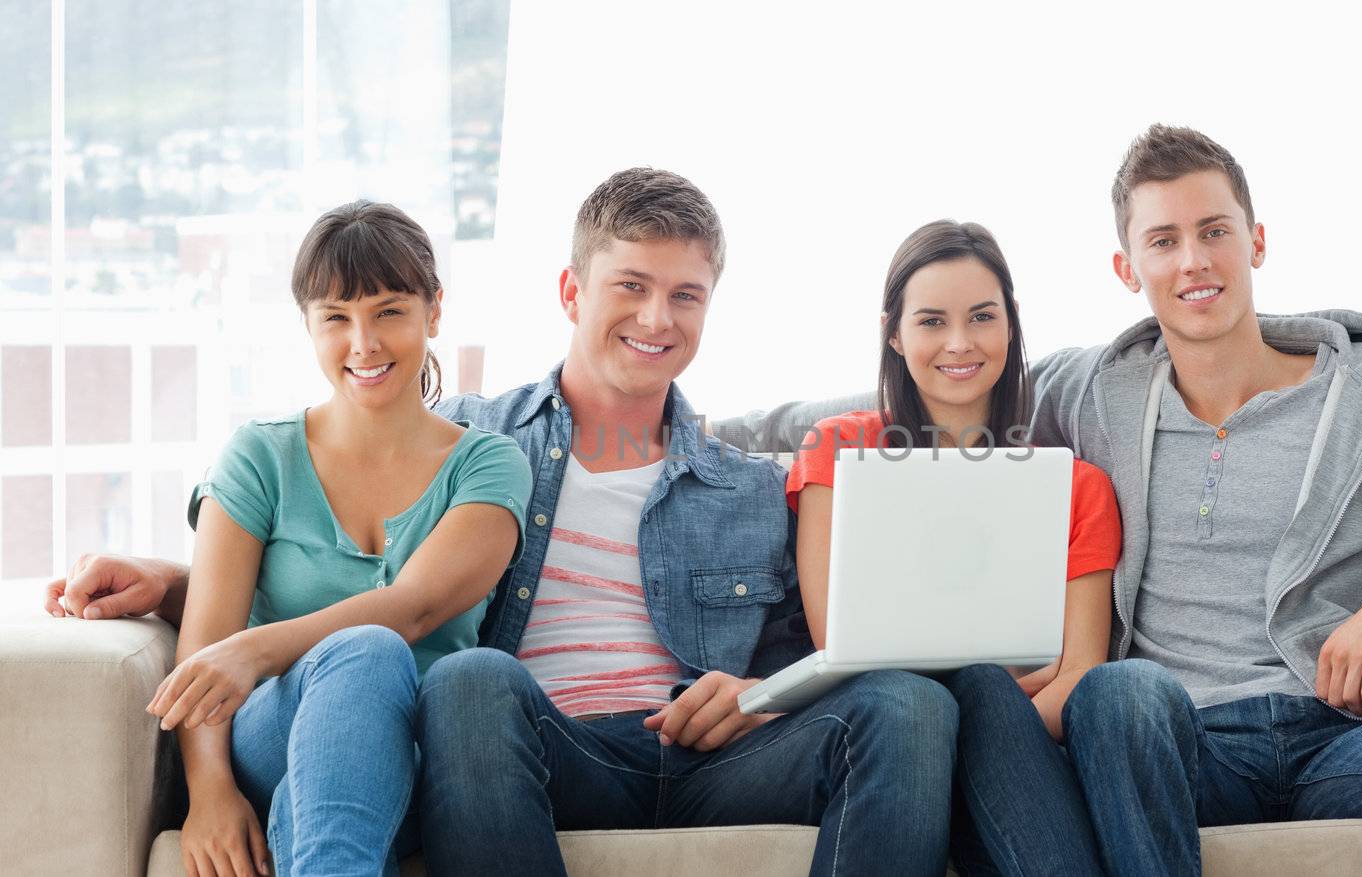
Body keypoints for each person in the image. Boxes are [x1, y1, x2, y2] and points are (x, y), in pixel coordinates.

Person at [719, 125, 1362, 876]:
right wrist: (688, 426)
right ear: (1126, 265)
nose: (1194, 260)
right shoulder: (1096, 388)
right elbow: (939, 385)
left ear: (1256, 240)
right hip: (1172, 736)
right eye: (1164, 240)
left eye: (1214, 231)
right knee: (1120, 692)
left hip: (1345, 729)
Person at [51, 169, 959, 877]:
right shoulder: (476, 444)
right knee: (472, 680)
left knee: (908, 703)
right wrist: (174, 580)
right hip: (537, 745)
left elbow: (812, 647)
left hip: (704, 753)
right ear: (571, 291)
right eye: (632, 286)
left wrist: (754, 693)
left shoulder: (751, 487)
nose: (656, 317)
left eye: (685, 295)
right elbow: (366, 561)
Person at [142, 200, 530, 876]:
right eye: (337, 318)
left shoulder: (489, 466)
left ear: (433, 312)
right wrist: (209, 793)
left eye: (388, 311)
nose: (364, 343)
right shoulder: (259, 457)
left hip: (419, 754)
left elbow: (415, 607)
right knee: (364, 654)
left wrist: (255, 647)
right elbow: (204, 647)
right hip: (275, 728)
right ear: (309, 326)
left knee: (317, 794)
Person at [784, 219, 1123, 874]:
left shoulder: (1077, 487)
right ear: (894, 331)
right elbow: (844, 642)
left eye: (982, 317)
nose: (960, 343)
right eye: (932, 321)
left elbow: (1078, 671)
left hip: (1017, 751)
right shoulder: (839, 451)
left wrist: (989, 706)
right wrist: (1007, 679)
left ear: (1011, 323)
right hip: (888, 745)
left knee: (984, 692)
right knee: (974, 688)